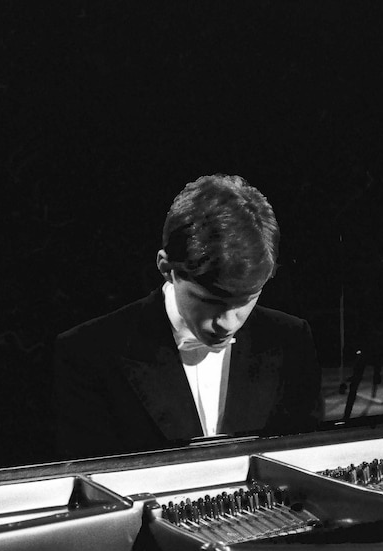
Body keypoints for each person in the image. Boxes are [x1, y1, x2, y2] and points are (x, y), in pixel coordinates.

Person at [53, 174, 324, 459]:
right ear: (166, 267)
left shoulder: (292, 340)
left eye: (246, 300)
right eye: (210, 301)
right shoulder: (88, 354)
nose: (228, 323)